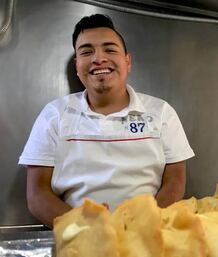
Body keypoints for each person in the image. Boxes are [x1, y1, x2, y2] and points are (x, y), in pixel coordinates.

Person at [18, 14, 194, 228]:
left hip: (149, 233)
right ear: (77, 65)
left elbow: (175, 183)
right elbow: (37, 195)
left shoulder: (161, 112)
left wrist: (142, 226)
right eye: (86, 51)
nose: (98, 58)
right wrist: (88, 230)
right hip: (76, 239)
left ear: (127, 61)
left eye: (110, 49)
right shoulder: (54, 114)